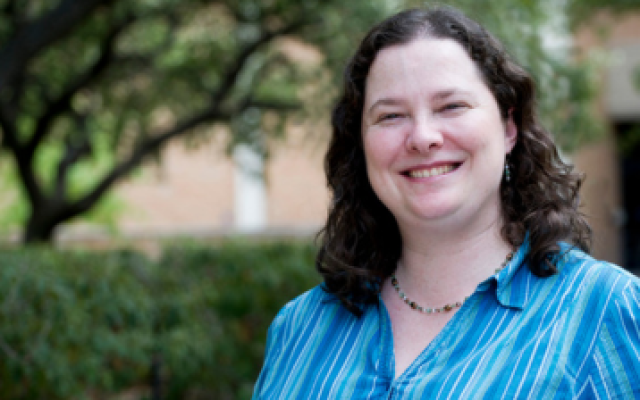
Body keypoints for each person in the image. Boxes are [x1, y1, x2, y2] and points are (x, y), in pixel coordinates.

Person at [253, 6, 640, 399]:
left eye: (451, 106)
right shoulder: (300, 328)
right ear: (361, 144)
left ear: (509, 128)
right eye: (390, 116)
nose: (423, 137)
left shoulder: (603, 312)